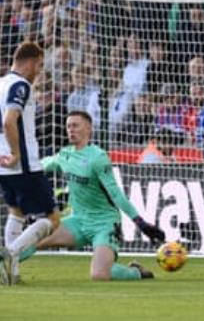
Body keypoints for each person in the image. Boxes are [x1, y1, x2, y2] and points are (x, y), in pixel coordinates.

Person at [30, 111, 164, 280]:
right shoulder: (65, 155)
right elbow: (42, 164)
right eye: (68, 126)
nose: (71, 130)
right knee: (33, 239)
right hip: (78, 222)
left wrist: (141, 223)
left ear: (88, 128)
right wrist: (21, 167)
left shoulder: (98, 157)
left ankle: (136, 272)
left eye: (75, 125)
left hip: (104, 223)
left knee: (99, 274)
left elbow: (115, 194)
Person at [0, 41, 61, 286]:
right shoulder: (21, 85)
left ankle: (11, 273)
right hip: (21, 162)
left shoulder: (0, 83)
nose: (39, 71)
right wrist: (17, 153)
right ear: (29, 62)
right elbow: (10, 120)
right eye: (39, 65)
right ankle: (9, 254)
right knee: (51, 219)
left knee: (17, 213)